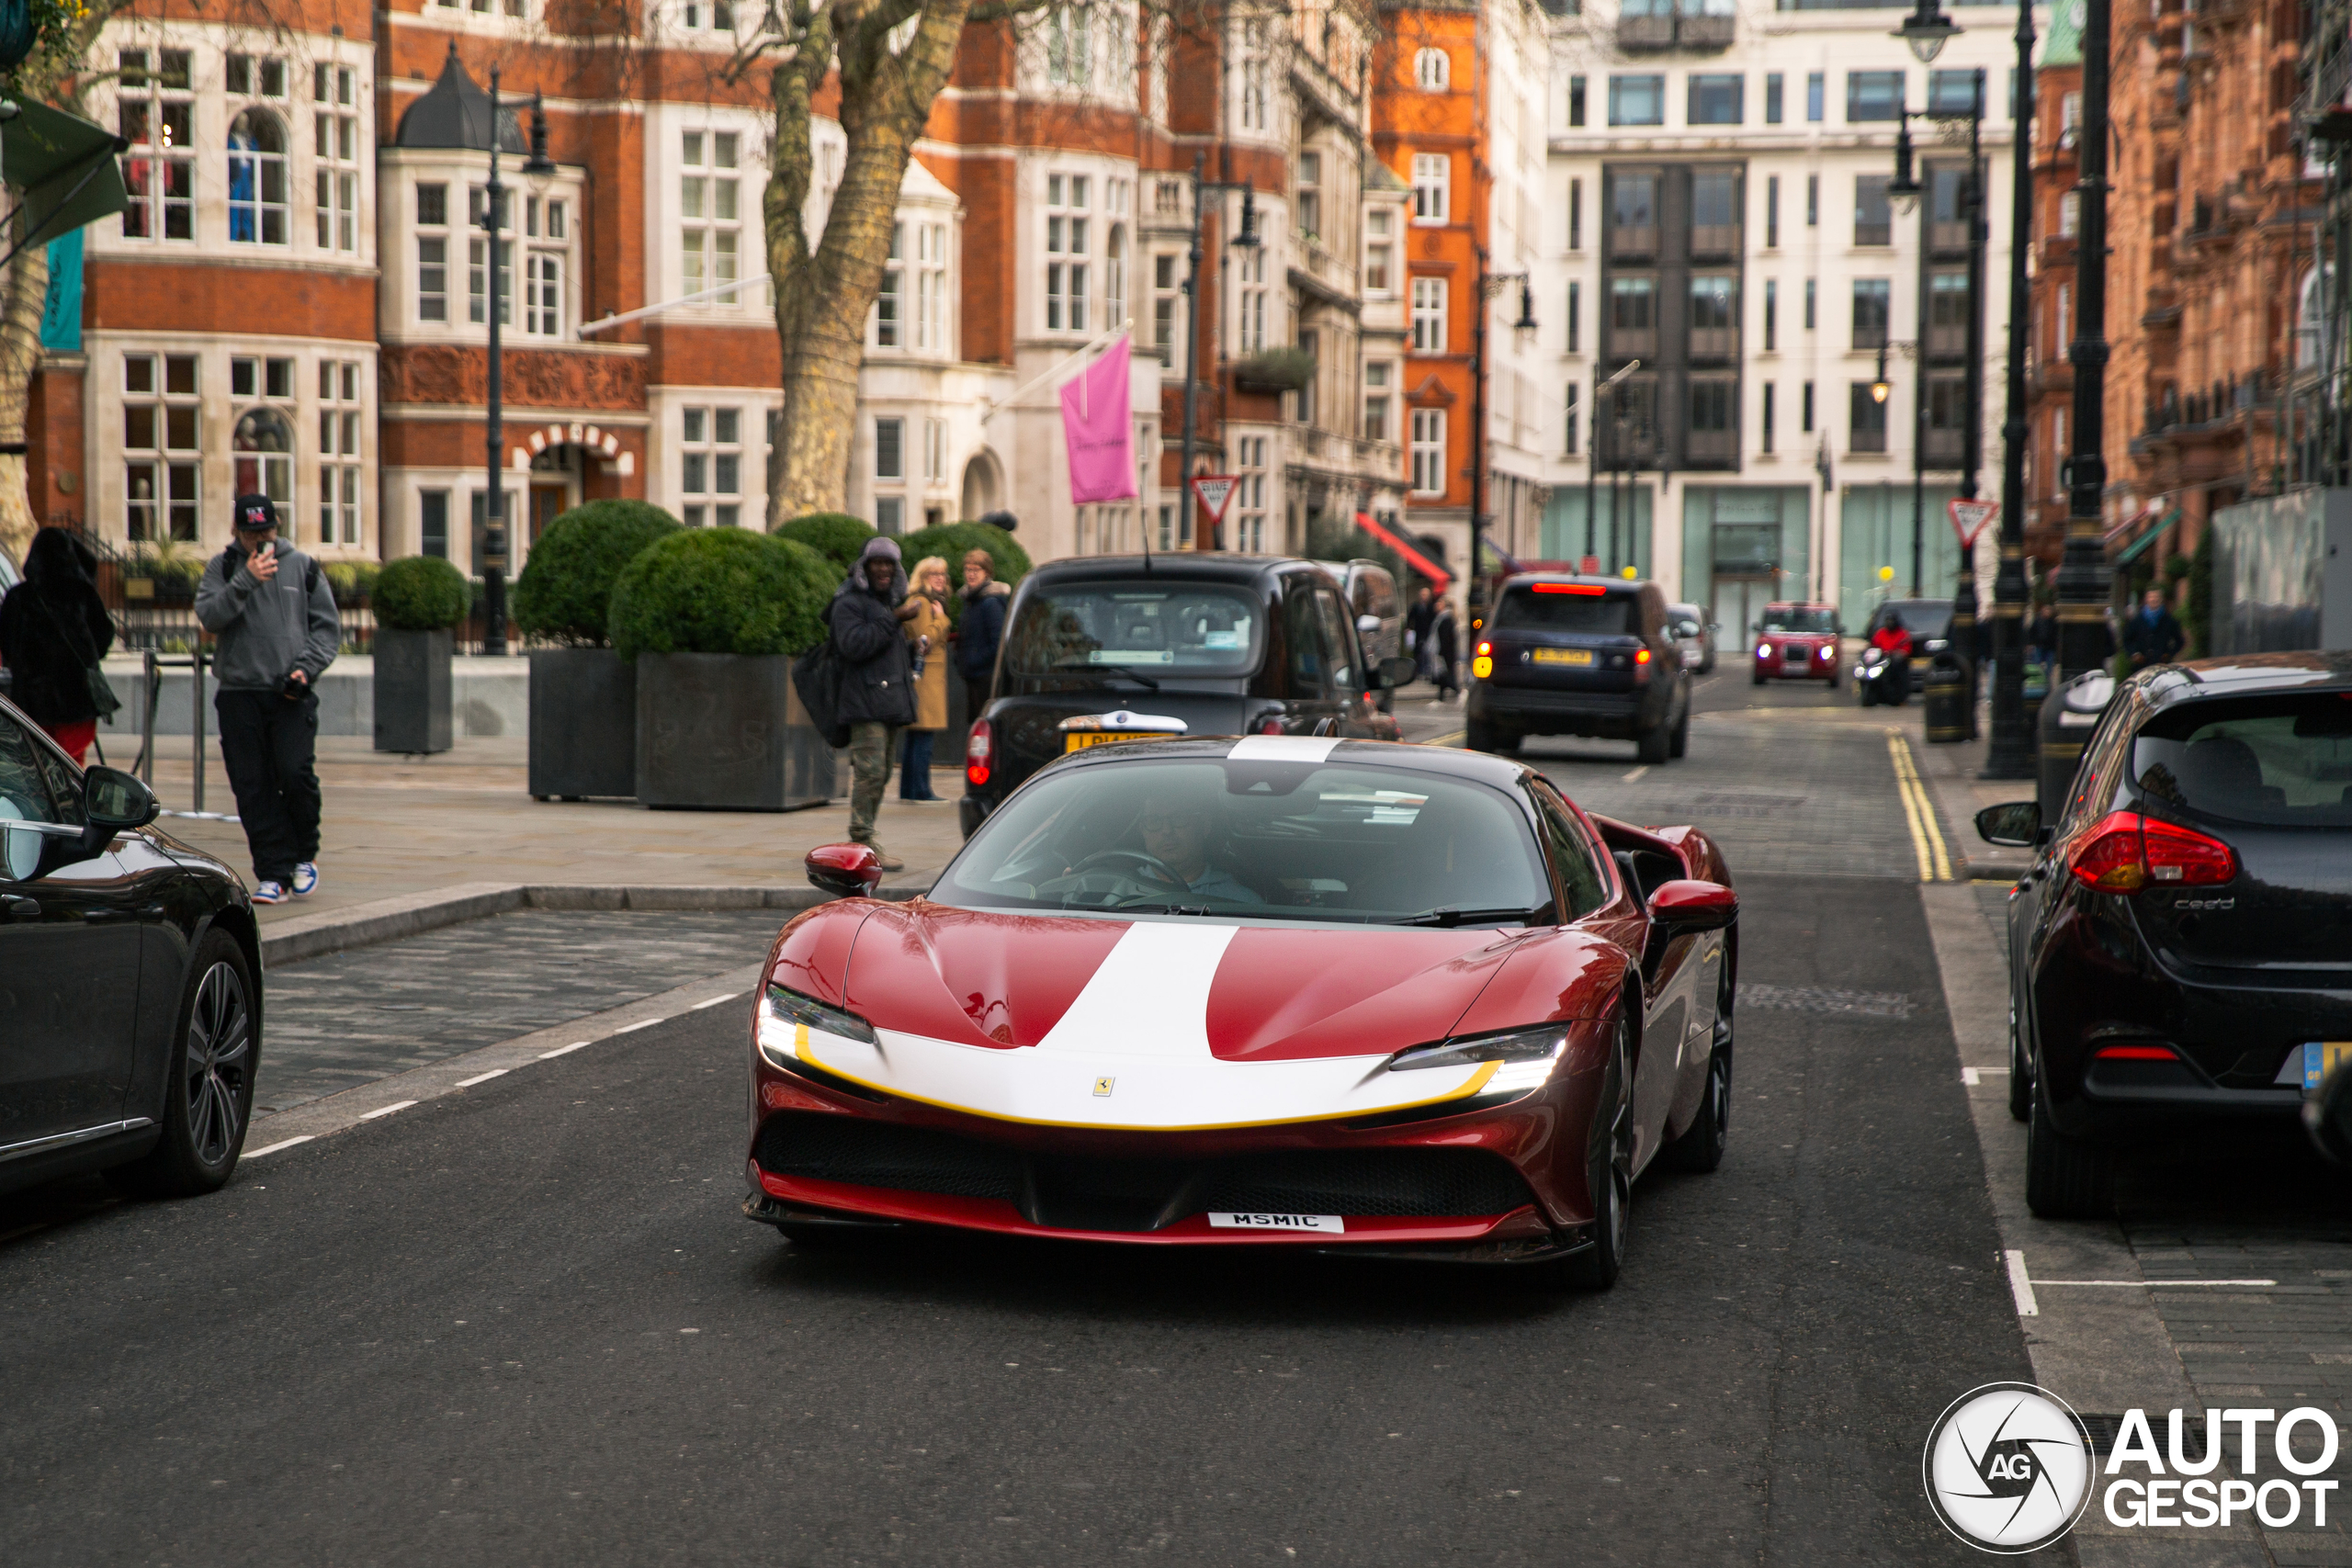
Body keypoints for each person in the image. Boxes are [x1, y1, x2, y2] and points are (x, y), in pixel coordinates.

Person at [194, 494, 339, 904]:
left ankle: (303, 856)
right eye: (251, 533)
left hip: (289, 693)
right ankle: (273, 872)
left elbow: (326, 630)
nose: (260, 540)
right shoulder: (222, 568)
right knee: (252, 786)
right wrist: (245, 581)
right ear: (236, 532)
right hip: (239, 693)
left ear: (277, 526)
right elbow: (210, 616)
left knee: (295, 773)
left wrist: (305, 668)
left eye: (267, 531)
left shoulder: (303, 567)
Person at [827, 536, 917, 872]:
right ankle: (861, 840)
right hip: (864, 704)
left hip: (887, 702)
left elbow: (885, 652)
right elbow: (853, 645)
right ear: (865, 567)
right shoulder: (849, 601)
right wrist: (894, 619)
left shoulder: (884, 601)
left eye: (890, 564)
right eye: (877, 563)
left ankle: (865, 841)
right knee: (869, 773)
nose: (884, 570)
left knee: (881, 774)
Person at [0, 527, 116, 763]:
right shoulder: (83, 595)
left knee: (37, 770)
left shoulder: (18, 597)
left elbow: (6, 644)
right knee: (71, 766)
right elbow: (103, 637)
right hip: (77, 704)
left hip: (31, 705)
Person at [1133, 786, 1259, 903]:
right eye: (1154, 821)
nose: (1167, 830)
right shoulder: (1120, 889)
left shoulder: (1241, 902)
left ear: (1205, 826)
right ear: (1142, 830)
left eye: (1179, 817)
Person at [899, 556, 952, 803]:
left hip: (926, 677)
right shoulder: (921, 602)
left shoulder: (925, 601)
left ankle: (910, 790)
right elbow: (924, 639)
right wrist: (943, 620)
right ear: (923, 577)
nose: (940, 578)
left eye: (943, 574)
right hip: (925, 678)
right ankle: (921, 790)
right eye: (934, 574)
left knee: (918, 736)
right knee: (923, 737)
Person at [955, 547, 1010, 727]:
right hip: (972, 677)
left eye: (976, 570)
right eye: (968, 569)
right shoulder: (970, 600)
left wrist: (973, 660)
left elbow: (998, 643)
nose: (971, 574)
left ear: (987, 573)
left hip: (986, 677)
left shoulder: (990, 602)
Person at [2122, 586, 2187, 671]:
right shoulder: (2137, 620)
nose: (2154, 600)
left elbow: (2180, 641)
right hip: (2141, 667)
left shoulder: (2169, 620)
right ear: (2146, 599)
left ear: (2161, 600)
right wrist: (2134, 654)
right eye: (2151, 597)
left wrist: (2169, 654)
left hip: (2162, 666)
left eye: (2156, 597)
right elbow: (2127, 639)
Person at [1430, 595, 1460, 700]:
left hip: (1446, 651)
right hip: (1445, 650)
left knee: (1446, 672)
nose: (1436, 605)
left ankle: (1456, 689)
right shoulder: (1440, 617)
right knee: (1443, 672)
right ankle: (1442, 694)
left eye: (1439, 603)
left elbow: (1446, 637)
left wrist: (1441, 650)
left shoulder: (1446, 618)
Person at [1405, 584, 1436, 680]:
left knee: (1427, 652)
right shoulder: (1416, 606)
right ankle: (1418, 671)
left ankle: (1427, 670)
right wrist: (1408, 628)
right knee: (1418, 652)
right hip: (1418, 632)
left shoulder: (1431, 607)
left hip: (1428, 632)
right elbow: (1410, 618)